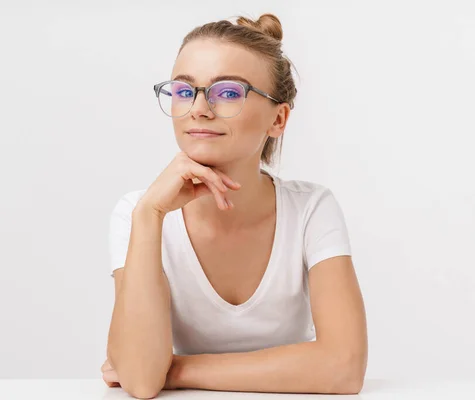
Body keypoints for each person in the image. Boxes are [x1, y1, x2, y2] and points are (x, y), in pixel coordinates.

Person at [102, 13, 368, 398]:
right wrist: (150, 215)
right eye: (183, 90)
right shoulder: (138, 212)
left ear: (278, 118)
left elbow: (343, 369)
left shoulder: (311, 209)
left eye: (228, 93)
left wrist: (176, 370)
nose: (199, 108)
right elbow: (142, 382)